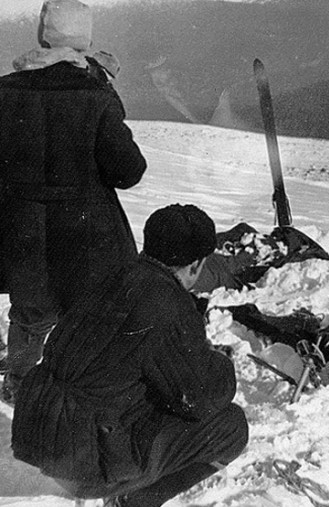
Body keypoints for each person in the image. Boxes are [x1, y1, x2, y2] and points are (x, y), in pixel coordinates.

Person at [11, 204, 249, 507]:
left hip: (38, 434)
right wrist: (220, 363)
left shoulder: (111, 274)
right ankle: (135, 501)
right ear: (195, 265)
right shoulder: (166, 302)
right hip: (84, 466)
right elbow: (200, 398)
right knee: (230, 427)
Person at [0, 0, 147, 403]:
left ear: (41, 35)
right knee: (85, 314)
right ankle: (78, 389)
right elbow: (128, 171)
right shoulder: (96, 94)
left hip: (22, 230)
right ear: (86, 40)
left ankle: (20, 386)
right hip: (86, 233)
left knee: (30, 312)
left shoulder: (3, 92)